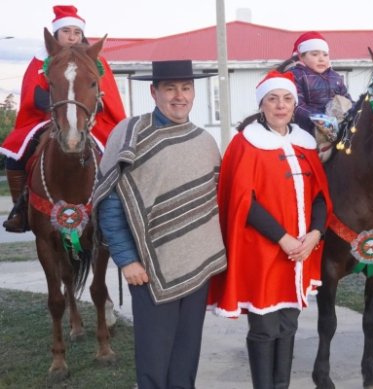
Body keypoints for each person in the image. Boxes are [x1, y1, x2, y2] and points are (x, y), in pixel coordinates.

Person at [92, 60, 226, 389]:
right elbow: (110, 202)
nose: (179, 96)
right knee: (154, 360)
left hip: (196, 267)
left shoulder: (204, 141)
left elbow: (214, 201)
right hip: (148, 269)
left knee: (186, 356)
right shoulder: (130, 134)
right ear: (154, 92)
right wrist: (127, 259)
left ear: (194, 92)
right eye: (170, 88)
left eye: (186, 88)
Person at [207, 70, 332, 388]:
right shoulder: (245, 143)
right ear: (262, 104)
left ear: (295, 104)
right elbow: (241, 201)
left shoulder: (305, 143)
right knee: (264, 327)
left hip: (301, 249)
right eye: (273, 99)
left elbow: (320, 195)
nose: (281, 105)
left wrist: (316, 234)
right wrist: (284, 238)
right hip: (263, 250)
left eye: (287, 99)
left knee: (289, 323)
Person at [1, 5, 125, 232]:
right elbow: (32, 95)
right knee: (16, 154)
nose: (72, 37)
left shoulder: (96, 62)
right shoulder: (41, 61)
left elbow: (108, 98)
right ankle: (21, 211)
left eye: (77, 32)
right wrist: (57, 112)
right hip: (45, 117)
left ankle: (124, 207)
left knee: (120, 154)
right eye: (66, 31)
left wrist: (91, 110)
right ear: (56, 34)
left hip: (91, 120)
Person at [288, 31, 352, 139]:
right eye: (315, 54)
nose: (321, 58)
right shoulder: (297, 75)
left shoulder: (335, 77)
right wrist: (320, 118)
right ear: (301, 57)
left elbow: (347, 100)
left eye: (325, 54)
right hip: (309, 130)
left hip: (338, 127)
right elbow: (297, 106)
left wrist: (353, 111)